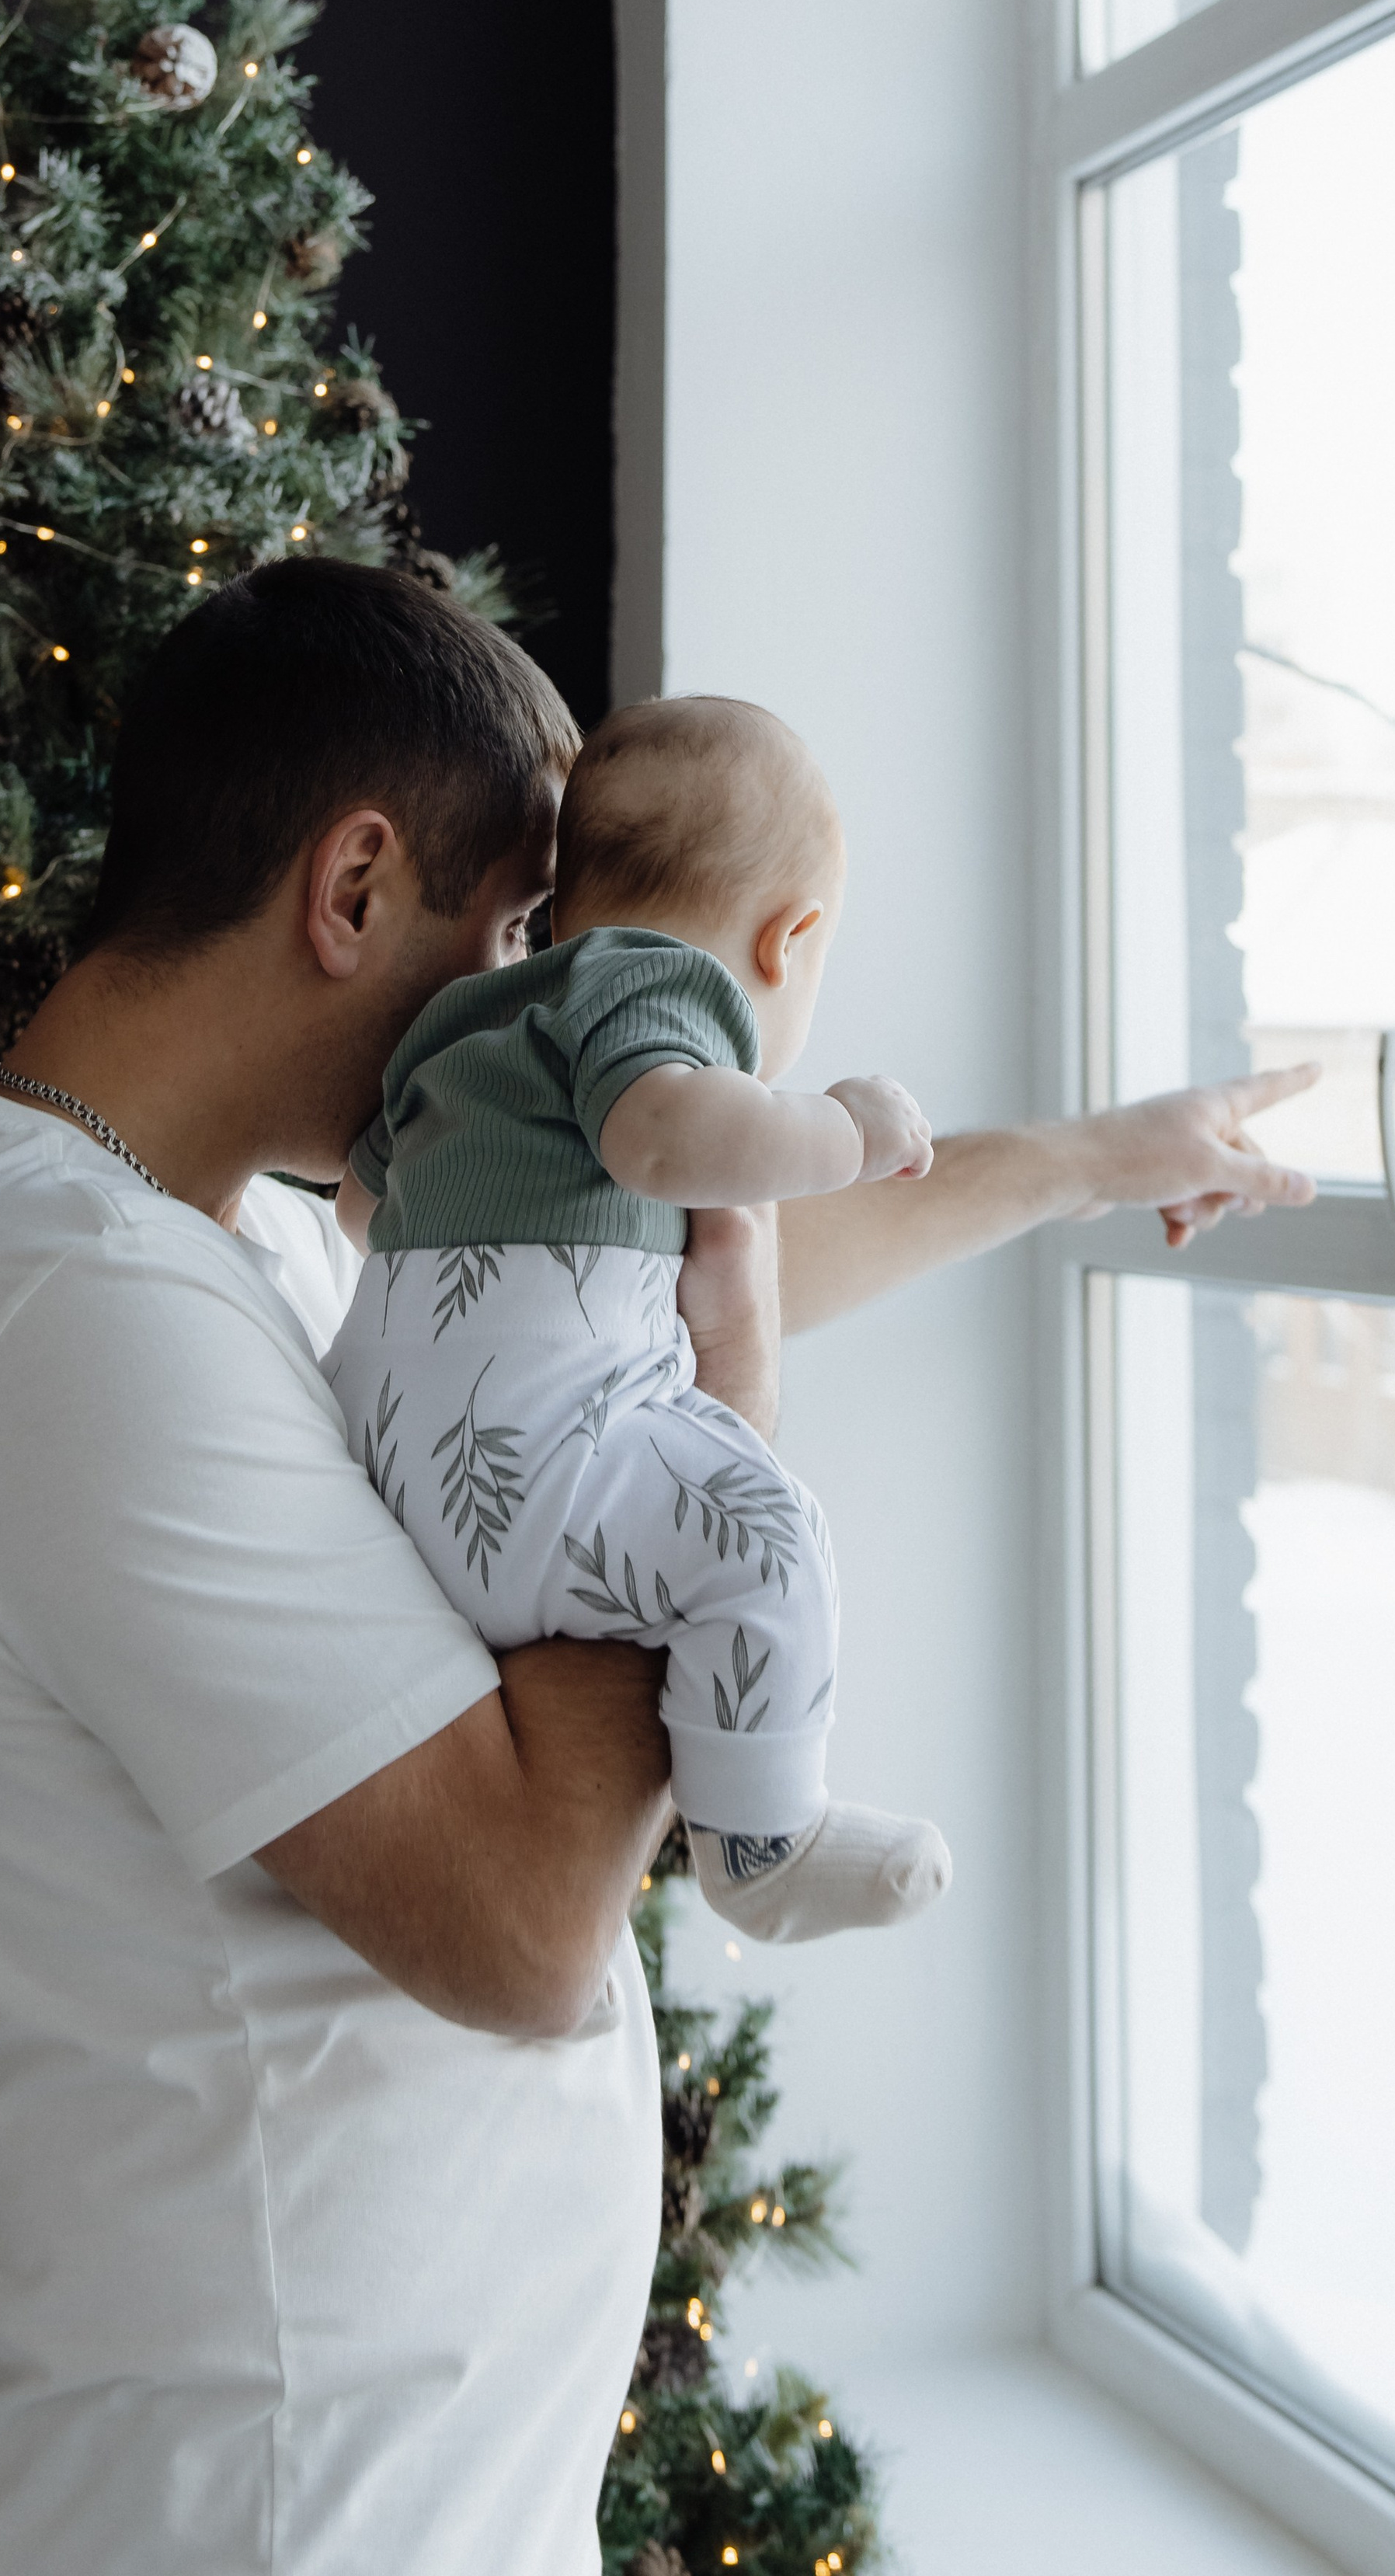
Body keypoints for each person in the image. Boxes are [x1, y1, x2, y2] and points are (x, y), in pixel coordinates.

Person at [0, 561, 1319, 2576]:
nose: (545, 999)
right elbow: (518, 1927)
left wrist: (1092, 1160)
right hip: (248, 2516)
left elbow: (598, 1300)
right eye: (519, 928)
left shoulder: (222, 1224)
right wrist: (729, 1407)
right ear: (353, 894)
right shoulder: (77, 1322)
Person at [328, 691, 951, 1945]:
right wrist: (844, 1129)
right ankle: (763, 1843)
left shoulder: (469, 1019)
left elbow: (357, 1202)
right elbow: (663, 1135)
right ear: (788, 941)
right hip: (539, 1463)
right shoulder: (663, 988)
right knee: (769, 1540)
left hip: (387, 1472)